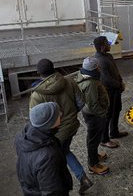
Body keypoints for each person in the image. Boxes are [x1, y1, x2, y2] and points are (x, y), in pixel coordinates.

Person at [30, 59, 93, 194]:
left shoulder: (37, 94)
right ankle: (82, 178)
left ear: (38, 73)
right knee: (64, 150)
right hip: (72, 126)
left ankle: (80, 178)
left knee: (60, 155)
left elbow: (35, 121)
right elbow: (81, 102)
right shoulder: (69, 81)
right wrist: (70, 115)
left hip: (54, 133)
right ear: (54, 68)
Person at [15, 102, 73, 195]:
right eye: (57, 114)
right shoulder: (48, 156)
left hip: (30, 188)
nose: (61, 114)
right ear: (49, 123)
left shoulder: (22, 137)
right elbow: (52, 192)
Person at [76, 57, 110, 175]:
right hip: (94, 115)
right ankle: (93, 165)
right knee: (93, 139)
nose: (100, 68)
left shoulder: (86, 76)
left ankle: (94, 156)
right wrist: (103, 114)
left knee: (93, 137)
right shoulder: (91, 83)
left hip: (91, 113)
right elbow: (93, 104)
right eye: (98, 67)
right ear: (95, 68)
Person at [93, 36, 128, 149]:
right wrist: (119, 84)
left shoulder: (108, 56)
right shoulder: (100, 60)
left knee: (116, 110)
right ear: (103, 46)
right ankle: (104, 139)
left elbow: (115, 71)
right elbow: (106, 79)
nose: (110, 44)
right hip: (108, 92)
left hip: (116, 90)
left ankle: (114, 132)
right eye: (107, 43)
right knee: (107, 115)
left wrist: (120, 80)